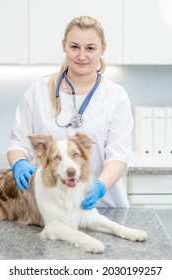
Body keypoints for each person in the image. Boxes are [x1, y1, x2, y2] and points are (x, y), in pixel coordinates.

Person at [7, 16, 133, 209]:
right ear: (64, 45)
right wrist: (19, 163)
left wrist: (100, 186)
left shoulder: (116, 96)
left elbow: (118, 156)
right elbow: (18, 142)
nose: (81, 56)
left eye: (90, 48)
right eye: (74, 47)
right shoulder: (38, 90)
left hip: (102, 205)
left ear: (103, 48)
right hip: (48, 207)